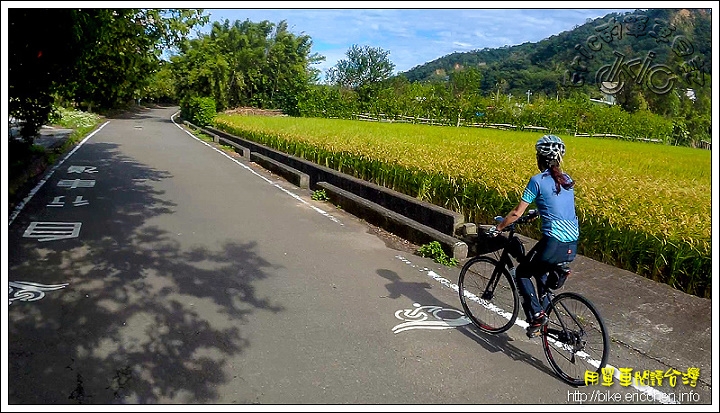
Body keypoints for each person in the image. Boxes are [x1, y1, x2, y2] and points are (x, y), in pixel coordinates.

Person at [488, 135, 579, 338]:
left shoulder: (537, 181)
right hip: (572, 243)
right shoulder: (568, 180)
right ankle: (546, 315)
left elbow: (516, 213)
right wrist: (537, 213)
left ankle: (537, 315)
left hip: (553, 243)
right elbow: (558, 206)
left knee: (522, 272)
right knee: (541, 272)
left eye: (537, 155)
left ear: (541, 159)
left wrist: (499, 228)